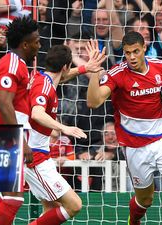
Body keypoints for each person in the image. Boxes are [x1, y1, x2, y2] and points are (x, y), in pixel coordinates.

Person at [86, 32, 162, 225]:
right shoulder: (118, 73)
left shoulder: (160, 66)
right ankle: (134, 221)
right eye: (127, 53)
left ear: (144, 49)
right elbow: (93, 101)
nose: (131, 57)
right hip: (135, 146)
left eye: (136, 52)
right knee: (145, 199)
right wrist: (94, 72)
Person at [26, 44, 100, 225]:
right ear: (65, 66)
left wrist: (85, 68)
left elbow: (63, 76)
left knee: (50, 211)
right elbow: (37, 113)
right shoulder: (44, 86)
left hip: (39, 154)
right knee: (74, 205)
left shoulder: (44, 79)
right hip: (35, 157)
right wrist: (63, 128)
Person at [0, 16, 38, 224]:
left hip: (9, 134)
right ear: (25, 44)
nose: (39, 45)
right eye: (36, 41)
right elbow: (4, 104)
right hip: (5, 135)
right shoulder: (11, 64)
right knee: (12, 196)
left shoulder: (19, 64)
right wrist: (21, 141)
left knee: (13, 196)